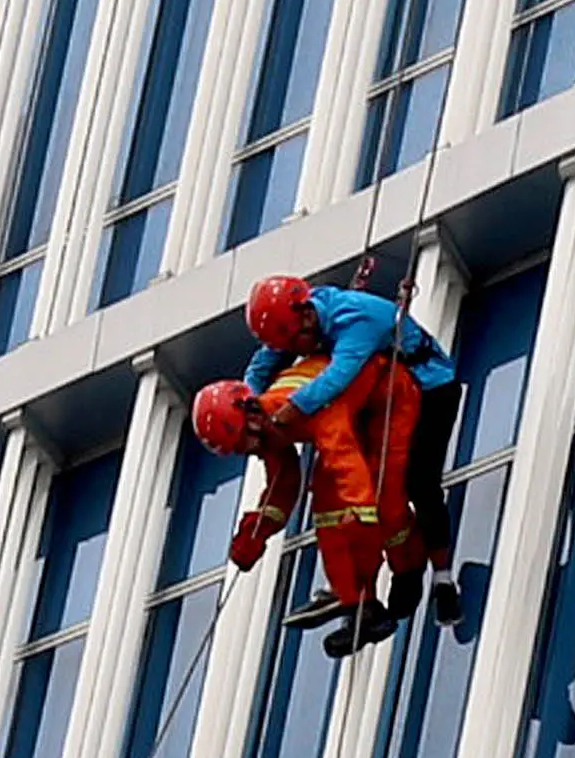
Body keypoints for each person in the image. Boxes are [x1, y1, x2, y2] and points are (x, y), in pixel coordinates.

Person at [243, 273, 464, 628]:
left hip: (430, 388)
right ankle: (357, 588)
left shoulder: (359, 319)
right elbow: (261, 366)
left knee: (418, 481)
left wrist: (293, 408)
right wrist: (248, 405)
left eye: (299, 341)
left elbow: (338, 376)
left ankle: (442, 577)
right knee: (348, 484)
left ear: (307, 316)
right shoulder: (294, 317)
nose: (300, 351)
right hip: (381, 394)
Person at [192, 354, 425, 660]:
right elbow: (283, 484)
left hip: (389, 397)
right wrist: (255, 533)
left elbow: (349, 471)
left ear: (250, 417)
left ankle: (408, 569)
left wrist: (361, 530)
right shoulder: (267, 427)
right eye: (238, 449)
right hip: (357, 414)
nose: (249, 451)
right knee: (328, 508)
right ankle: (360, 606)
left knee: (382, 498)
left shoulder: (305, 407)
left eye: (243, 442)